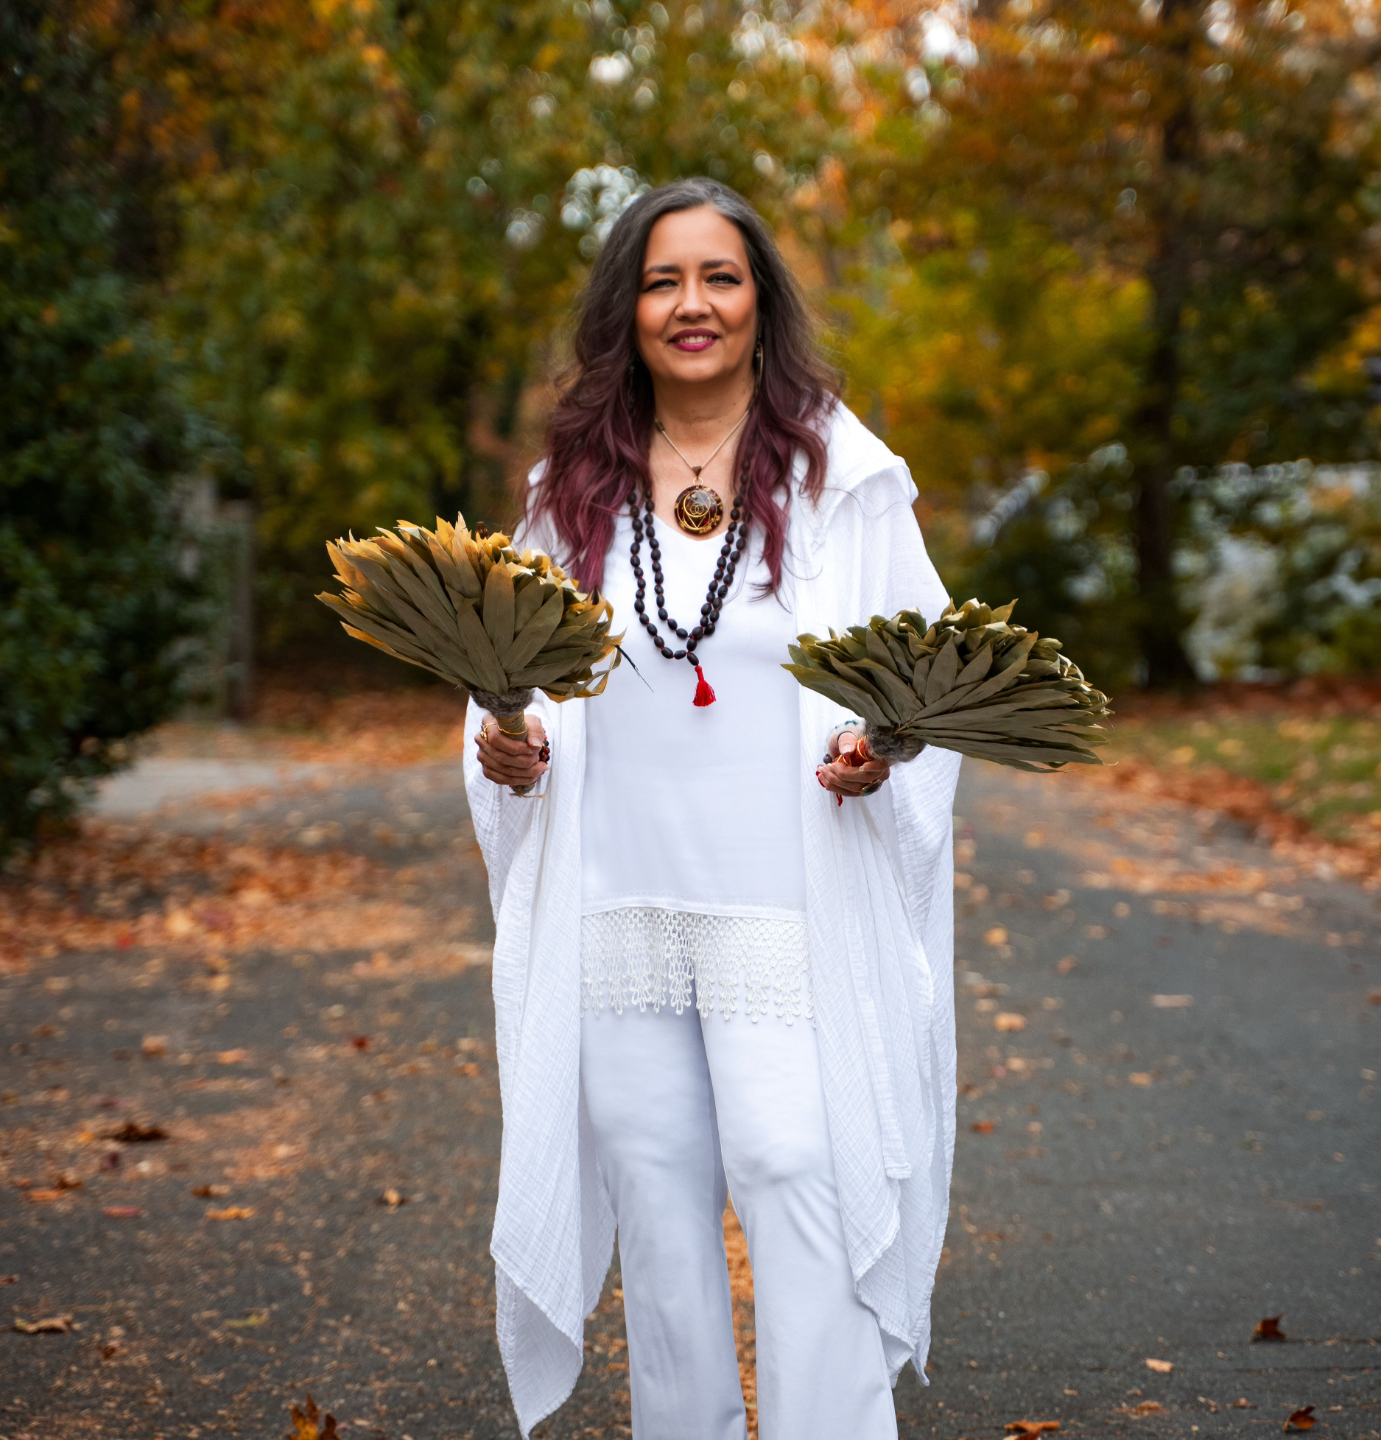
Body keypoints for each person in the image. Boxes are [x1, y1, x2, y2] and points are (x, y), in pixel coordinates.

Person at [464, 178, 961, 1440]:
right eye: (662, 281)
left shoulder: (843, 477)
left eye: (720, 277)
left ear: (760, 302)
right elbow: (512, 672)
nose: (692, 304)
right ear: (626, 310)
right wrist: (510, 746)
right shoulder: (571, 486)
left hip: (784, 900)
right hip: (618, 899)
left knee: (795, 1167)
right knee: (655, 1197)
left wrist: (880, 748)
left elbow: (931, 671)